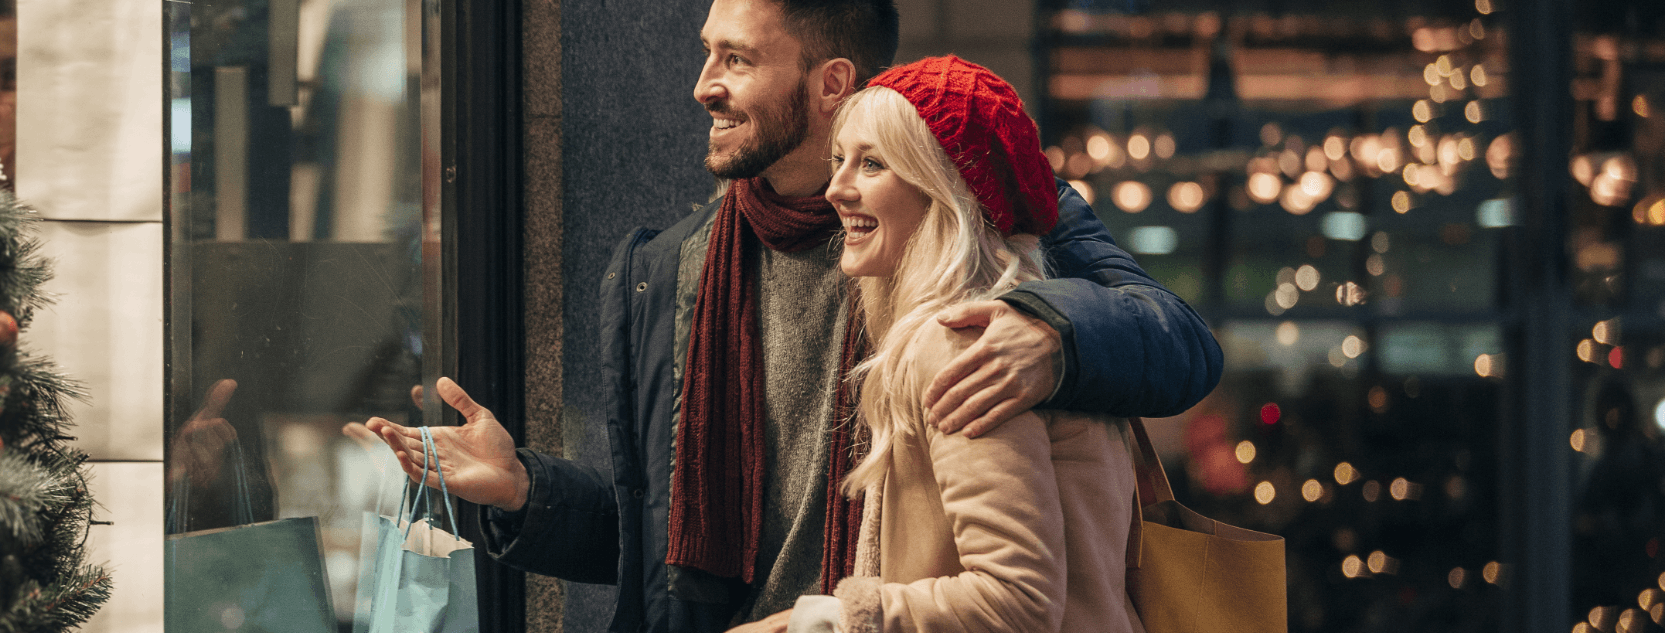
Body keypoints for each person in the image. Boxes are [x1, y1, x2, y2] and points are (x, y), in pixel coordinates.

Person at [370, 1, 1220, 631]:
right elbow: (659, 547)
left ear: (829, 83)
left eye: (737, 60)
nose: (703, 85)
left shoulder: (989, 214)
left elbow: (1178, 339)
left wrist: (1051, 333)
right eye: (708, 53)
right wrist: (524, 488)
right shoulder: (666, 270)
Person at [741, 54, 1141, 633]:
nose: (837, 188)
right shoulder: (1023, 327)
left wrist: (834, 617)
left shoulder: (961, 341)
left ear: (943, 188)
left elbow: (1018, 601)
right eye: (839, 160)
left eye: (872, 164)